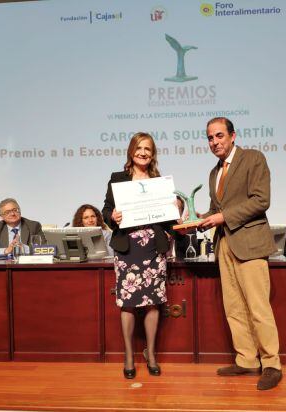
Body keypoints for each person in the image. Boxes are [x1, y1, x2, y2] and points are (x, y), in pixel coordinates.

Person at [197, 117, 282, 391]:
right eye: (210, 138)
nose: (214, 142)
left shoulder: (253, 158)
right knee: (233, 307)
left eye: (219, 136)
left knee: (258, 307)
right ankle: (246, 359)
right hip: (224, 245)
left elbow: (261, 200)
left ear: (233, 136)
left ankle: (271, 363)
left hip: (250, 244)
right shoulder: (214, 172)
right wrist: (200, 219)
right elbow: (216, 208)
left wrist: (221, 217)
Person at [102, 132, 173, 379]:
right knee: (128, 304)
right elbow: (106, 210)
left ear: (153, 154)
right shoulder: (118, 178)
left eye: (148, 149)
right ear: (132, 150)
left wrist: (173, 208)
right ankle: (129, 356)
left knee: (154, 302)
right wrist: (112, 217)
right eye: (139, 148)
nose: (143, 152)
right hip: (127, 249)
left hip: (153, 249)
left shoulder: (158, 180)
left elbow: (169, 220)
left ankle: (151, 354)